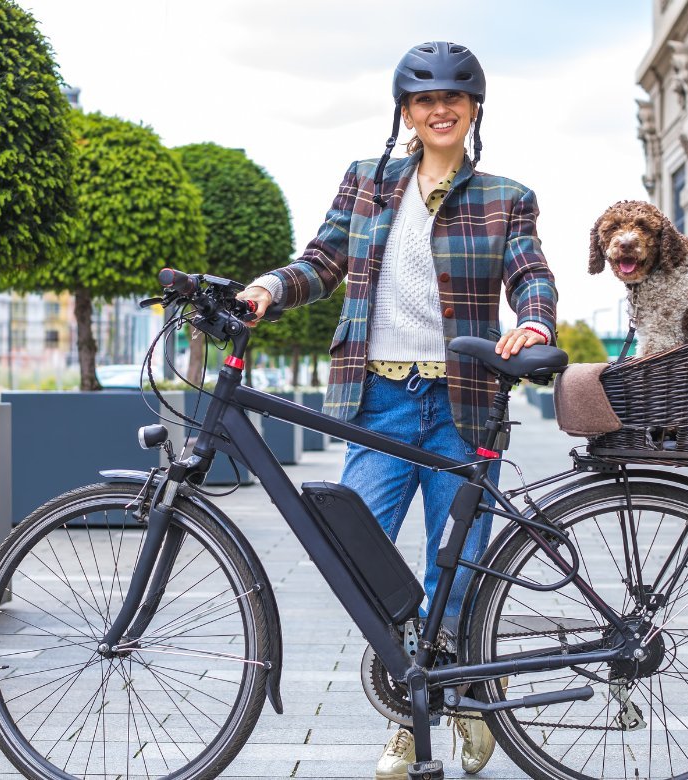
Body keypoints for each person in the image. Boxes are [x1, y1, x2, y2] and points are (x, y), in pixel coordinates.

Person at [238, 41, 557, 780]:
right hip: (375, 400)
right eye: (423, 100)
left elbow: (530, 270)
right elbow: (322, 262)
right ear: (405, 112)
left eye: (453, 99)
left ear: (474, 109)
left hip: (461, 402)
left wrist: (534, 319)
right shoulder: (366, 182)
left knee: (461, 568)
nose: (438, 110)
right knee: (361, 559)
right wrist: (268, 288)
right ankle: (451, 678)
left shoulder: (506, 195)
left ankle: (430, 715)